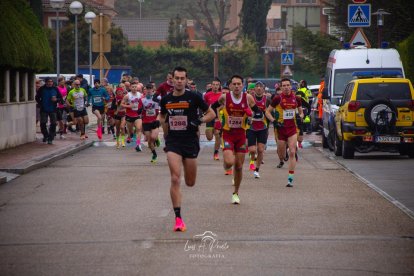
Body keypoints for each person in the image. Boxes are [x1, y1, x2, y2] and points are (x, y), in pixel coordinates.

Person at [158, 66, 215, 232]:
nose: (179, 81)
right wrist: (164, 129)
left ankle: (179, 214)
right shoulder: (166, 99)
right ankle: (178, 218)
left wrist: (198, 121)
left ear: (186, 80)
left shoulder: (194, 96)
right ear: (172, 79)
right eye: (177, 78)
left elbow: (211, 114)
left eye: (183, 78)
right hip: (173, 142)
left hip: (190, 141)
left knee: (190, 182)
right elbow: (162, 115)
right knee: (175, 178)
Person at [214, 74, 257, 204]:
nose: (237, 86)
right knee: (229, 162)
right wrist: (217, 119)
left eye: (239, 84)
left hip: (241, 136)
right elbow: (212, 107)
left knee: (238, 166)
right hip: (228, 134)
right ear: (230, 85)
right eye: (234, 84)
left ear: (243, 86)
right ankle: (226, 164)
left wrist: (251, 115)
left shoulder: (248, 98)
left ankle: (236, 193)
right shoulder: (224, 98)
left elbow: (258, 111)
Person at [265, 78, 304, 187]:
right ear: (281, 88)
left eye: (288, 85)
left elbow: (301, 113)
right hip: (280, 129)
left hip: (292, 129)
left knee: (292, 151)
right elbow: (267, 112)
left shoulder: (297, 99)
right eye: (284, 86)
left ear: (291, 86)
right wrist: (274, 121)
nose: (286, 87)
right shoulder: (277, 98)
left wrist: (300, 116)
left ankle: (290, 178)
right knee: (282, 154)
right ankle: (282, 158)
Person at [247, 81, 270, 178]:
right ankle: (252, 159)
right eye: (257, 86)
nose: (259, 88)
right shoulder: (250, 99)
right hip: (251, 128)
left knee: (260, 149)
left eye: (261, 86)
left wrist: (271, 118)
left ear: (263, 89)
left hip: (262, 128)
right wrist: (248, 118)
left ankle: (257, 169)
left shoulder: (267, 99)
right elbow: (246, 110)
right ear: (254, 89)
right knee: (252, 150)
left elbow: (270, 111)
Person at [35, 77, 63, 144]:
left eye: (51, 82)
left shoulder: (55, 89)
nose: (50, 83)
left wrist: (56, 100)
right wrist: (40, 103)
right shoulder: (42, 89)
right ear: (46, 82)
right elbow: (37, 97)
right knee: (43, 123)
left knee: (53, 123)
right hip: (44, 109)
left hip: (53, 109)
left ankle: (50, 138)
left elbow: (60, 98)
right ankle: (45, 135)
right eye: (49, 82)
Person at [139, 84, 160, 162]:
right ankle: (154, 154)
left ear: (153, 89)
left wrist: (158, 119)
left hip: (155, 121)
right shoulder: (142, 100)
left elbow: (160, 111)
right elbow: (139, 109)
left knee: (153, 138)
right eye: (147, 89)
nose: (148, 90)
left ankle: (156, 139)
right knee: (149, 140)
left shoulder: (157, 98)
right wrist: (139, 110)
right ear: (145, 90)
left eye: (150, 89)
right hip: (146, 121)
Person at [203, 78, 223, 160]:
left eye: (217, 85)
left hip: (218, 117)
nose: (215, 86)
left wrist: (220, 108)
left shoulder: (222, 95)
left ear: (219, 86)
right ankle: (210, 131)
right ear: (211, 86)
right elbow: (204, 105)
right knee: (209, 137)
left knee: (217, 134)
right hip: (210, 117)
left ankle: (216, 153)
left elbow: (225, 105)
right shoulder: (207, 95)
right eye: (214, 84)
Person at [121, 83, 143, 151]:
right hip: (129, 115)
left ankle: (138, 145)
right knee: (130, 132)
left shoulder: (140, 95)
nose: (134, 88)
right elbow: (121, 104)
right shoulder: (128, 96)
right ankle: (130, 136)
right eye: (133, 87)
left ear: (137, 88)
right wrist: (128, 106)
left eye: (135, 87)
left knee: (139, 129)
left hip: (137, 115)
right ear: (130, 88)